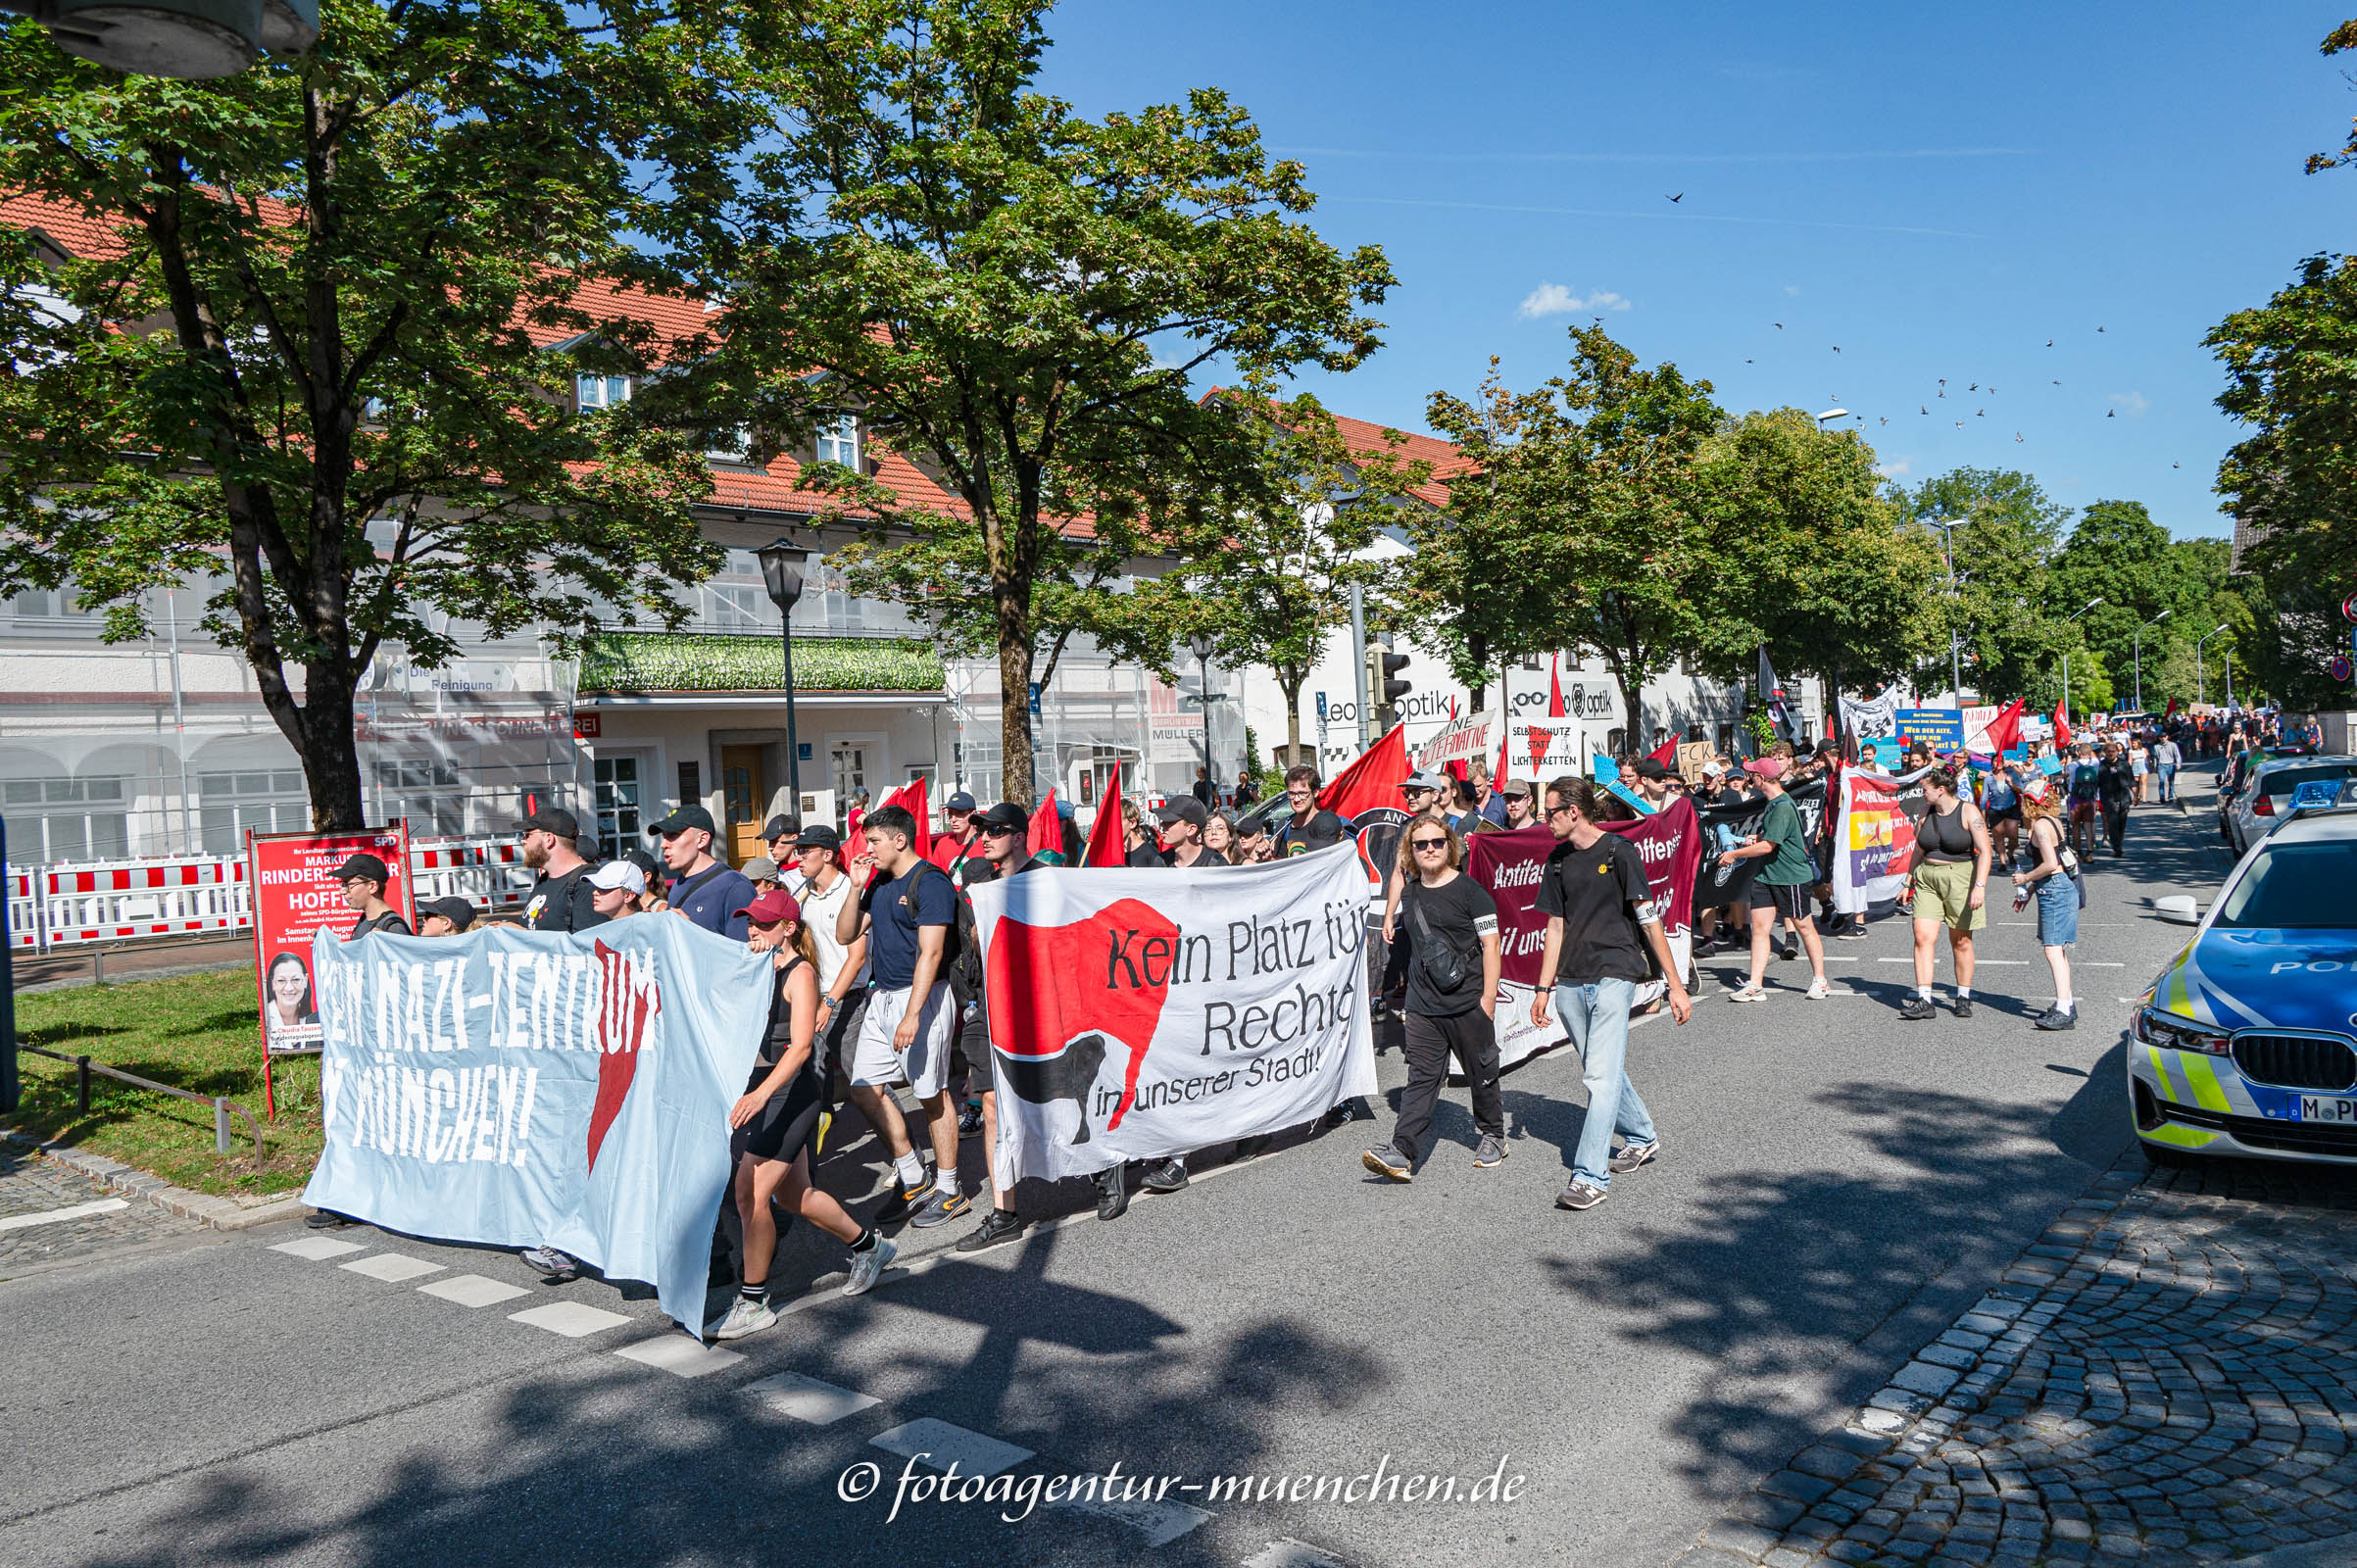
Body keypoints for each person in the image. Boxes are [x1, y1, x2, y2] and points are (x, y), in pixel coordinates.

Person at [705, 889, 894, 1342]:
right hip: (764, 1088)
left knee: (750, 1194)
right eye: (750, 922)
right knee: (796, 1197)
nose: (753, 930)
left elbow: (803, 1046)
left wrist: (761, 1095)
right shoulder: (755, 966)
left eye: (764, 924)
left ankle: (753, 1302)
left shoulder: (801, 973)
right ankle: (871, 1248)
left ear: (788, 928)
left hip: (793, 1089)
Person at [1529, 778, 1692, 1211]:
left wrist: (1675, 985)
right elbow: (1555, 926)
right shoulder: (1558, 859)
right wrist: (1543, 988)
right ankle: (1641, 1135)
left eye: (1550, 812)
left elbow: (1648, 918)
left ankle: (1590, 1176)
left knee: (1598, 1078)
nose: (1546, 820)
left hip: (1616, 973)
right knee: (1602, 1071)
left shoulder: (1620, 852)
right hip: (1569, 981)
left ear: (1574, 812)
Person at [834, 804, 962, 1228]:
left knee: (931, 1094)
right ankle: (913, 1174)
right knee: (863, 1088)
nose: (866, 849)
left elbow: (933, 952)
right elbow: (846, 934)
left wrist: (912, 1015)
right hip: (882, 999)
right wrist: (854, 887)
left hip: (922, 998)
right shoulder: (880, 883)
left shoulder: (931, 882)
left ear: (899, 839)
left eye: (873, 841)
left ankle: (950, 1188)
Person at [1361, 821, 1506, 1182]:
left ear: (1449, 846)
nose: (1429, 848)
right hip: (1423, 1005)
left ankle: (1493, 1134)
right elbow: (1396, 879)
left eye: (1437, 842)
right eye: (1421, 844)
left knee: (1481, 1073)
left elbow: (1492, 945)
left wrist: (1488, 998)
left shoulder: (1472, 892)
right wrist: (1391, 914)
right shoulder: (1410, 894)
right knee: (1421, 1078)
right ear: (1412, 851)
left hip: (1467, 1002)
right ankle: (1402, 1152)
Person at [950, 802, 1050, 1251]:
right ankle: (1004, 1211)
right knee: (990, 1105)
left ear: (1018, 836)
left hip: (1043, 1008)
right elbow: (972, 951)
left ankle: (1102, 1169)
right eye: (981, 830)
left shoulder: (1044, 881)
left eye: (995, 830)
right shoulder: (980, 889)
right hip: (991, 1008)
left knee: (1057, 1097)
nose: (984, 837)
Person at [1719, 759, 1832, 1003]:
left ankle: (1820, 980)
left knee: (1804, 927)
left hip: (1790, 876)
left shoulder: (1782, 805)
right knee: (1760, 928)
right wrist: (1757, 836)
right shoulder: (1772, 804)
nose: (1750, 779)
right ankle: (1755, 985)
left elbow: (1768, 846)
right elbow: (1770, 837)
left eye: (1753, 775)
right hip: (1766, 876)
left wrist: (1734, 854)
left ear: (1762, 778)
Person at [1897, 765, 1993, 1020]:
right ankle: (1925, 999)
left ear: (1940, 790)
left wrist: (1979, 887)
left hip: (1960, 877)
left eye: (1925, 790)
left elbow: (1985, 851)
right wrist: (1908, 880)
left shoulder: (1968, 812)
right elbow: (1919, 848)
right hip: (1927, 878)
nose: (1922, 794)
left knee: (1960, 941)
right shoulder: (1925, 811)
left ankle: (1963, 995)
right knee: (1922, 936)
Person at [790, 823, 868, 1094]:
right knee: (810, 1080)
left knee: (865, 1086)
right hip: (812, 998)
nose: (797, 856)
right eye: (797, 850)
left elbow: (857, 957)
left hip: (845, 1001)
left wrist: (829, 1003)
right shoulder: (803, 894)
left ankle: (901, 1136)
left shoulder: (850, 890)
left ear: (827, 855)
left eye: (804, 850)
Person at [2008, 775, 2080, 1032]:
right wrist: (2029, 888)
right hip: (2056, 888)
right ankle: (2066, 1002)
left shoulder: (2040, 826)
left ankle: (2063, 1008)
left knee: (2052, 950)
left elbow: (2050, 864)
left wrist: (2025, 877)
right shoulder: (2053, 821)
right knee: (2058, 949)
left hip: (2055, 889)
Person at [648, 804, 754, 940]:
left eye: (673, 835)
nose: (663, 845)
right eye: (663, 836)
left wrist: (691, 932)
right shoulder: (678, 883)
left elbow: (744, 954)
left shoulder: (735, 887)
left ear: (702, 839)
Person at [516, 808, 601, 932]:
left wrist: (522, 933)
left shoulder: (587, 883)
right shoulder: (544, 880)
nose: (522, 841)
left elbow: (587, 945)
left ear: (549, 839)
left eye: (527, 835)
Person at [1271, 764, 1347, 857]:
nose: (1296, 799)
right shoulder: (1284, 826)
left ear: (1315, 792)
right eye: (1292, 793)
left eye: (1302, 793)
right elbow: (1281, 865)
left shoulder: (1330, 824)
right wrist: (1268, 858)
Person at [336, 854, 411, 939]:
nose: (342, 891)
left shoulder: (393, 927)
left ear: (372, 886)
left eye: (348, 884)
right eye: (342, 884)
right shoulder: (364, 919)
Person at [927, 792, 985, 880]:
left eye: (960, 813)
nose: (953, 819)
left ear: (973, 814)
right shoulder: (943, 844)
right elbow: (935, 878)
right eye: (950, 814)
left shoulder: (986, 843)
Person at [1155, 798, 1226, 867]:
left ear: (1191, 830)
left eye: (1169, 821)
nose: (1162, 824)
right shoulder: (1161, 861)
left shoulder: (1216, 864)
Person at [264, 952, 317, 1042]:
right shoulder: (267, 1019)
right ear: (273, 983)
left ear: (305, 981)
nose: (289, 988)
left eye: (296, 979)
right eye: (281, 980)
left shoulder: (314, 1020)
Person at [1981, 756, 2022, 872]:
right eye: (1995, 761)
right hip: (1995, 809)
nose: (1998, 763)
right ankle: (2003, 862)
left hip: (2011, 807)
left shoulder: (2011, 774)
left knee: (2013, 836)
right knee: (1998, 836)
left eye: (2000, 761)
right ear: (1992, 763)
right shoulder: (1988, 778)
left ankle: (2010, 853)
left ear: (2004, 763)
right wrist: (1983, 815)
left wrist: (2012, 784)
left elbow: (2021, 789)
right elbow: (1984, 796)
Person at [2063, 744, 2101, 861]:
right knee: (2088, 825)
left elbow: (2065, 773)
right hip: (2090, 798)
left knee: (2075, 825)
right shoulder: (2095, 763)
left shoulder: (2073, 765)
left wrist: (2069, 757)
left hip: (2075, 798)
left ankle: (2078, 851)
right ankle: (2090, 853)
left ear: (2079, 752)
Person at [2097, 741, 2135, 858]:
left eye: (2113, 751)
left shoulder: (2124, 764)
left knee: (2121, 824)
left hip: (2123, 797)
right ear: (2105, 752)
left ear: (2117, 752)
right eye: (2108, 751)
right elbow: (2097, 783)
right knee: (2112, 823)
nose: (2111, 753)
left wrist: (2136, 795)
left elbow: (2131, 780)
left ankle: (2118, 842)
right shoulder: (2101, 765)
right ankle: (2117, 848)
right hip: (2108, 799)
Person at [1120, 798, 1163, 867]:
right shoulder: (1110, 853)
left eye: (1116, 822)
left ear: (1132, 823)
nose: (1112, 827)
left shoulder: (1150, 854)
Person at [2150, 730, 2182, 807]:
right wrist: (2155, 767)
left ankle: (2170, 796)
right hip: (2161, 765)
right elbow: (2155, 758)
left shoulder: (2173, 745)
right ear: (2159, 738)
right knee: (2161, 781)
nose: (2163, 738)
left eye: (2164, 736)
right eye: (2161, 737)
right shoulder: (2157, 746)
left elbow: (2177, 755)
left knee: (2171, 781)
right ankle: (2162, 797)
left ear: (2167, 737)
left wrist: (2178, 763)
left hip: (2170, 764)